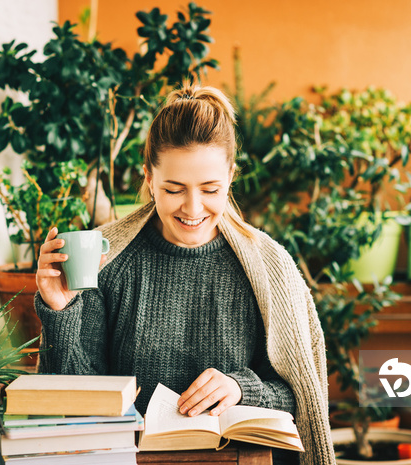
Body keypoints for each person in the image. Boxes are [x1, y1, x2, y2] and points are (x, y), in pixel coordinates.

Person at [35, 83, 335, 465]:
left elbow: (301, 396)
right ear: (148, 179)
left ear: (231, 176)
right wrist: (60, 311)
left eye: (210, 189)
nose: (193, 209)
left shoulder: (268, 266)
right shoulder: (106, 259)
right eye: (174, 189)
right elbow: (75, 404)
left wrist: (242, 389)